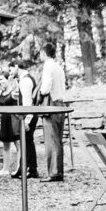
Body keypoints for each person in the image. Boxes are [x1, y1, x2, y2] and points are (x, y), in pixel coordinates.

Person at [38, 41, 67, 182]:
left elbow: (46, 88)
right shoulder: (59, 67)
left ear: (44, 53)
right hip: (61, 104)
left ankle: (53, 172)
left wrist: (40, 92)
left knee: (51, 139)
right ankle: (59, 171)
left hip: (51, 105)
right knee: (59, 140)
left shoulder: (48, 66)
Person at [11, 59, 39, 179]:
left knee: (27, 142)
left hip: (29, 115)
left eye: (11, 69)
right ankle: (25, 168)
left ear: (17, 66)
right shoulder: (23, 80)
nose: (10, 72)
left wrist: (27, 120)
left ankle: (31, 169)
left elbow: (28, 102)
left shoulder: (26, 81)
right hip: (30, 114)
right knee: (26, 141)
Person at [0, 63, 19, 177]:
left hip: (13, 120)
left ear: (7, 79)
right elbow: (1, 106)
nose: (0, 82)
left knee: (17, 144)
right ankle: (5, 168)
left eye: (1, 79)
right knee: (5, 146)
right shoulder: (1, 92)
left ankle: (19, 168)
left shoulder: (13, 91)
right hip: (4, 120)